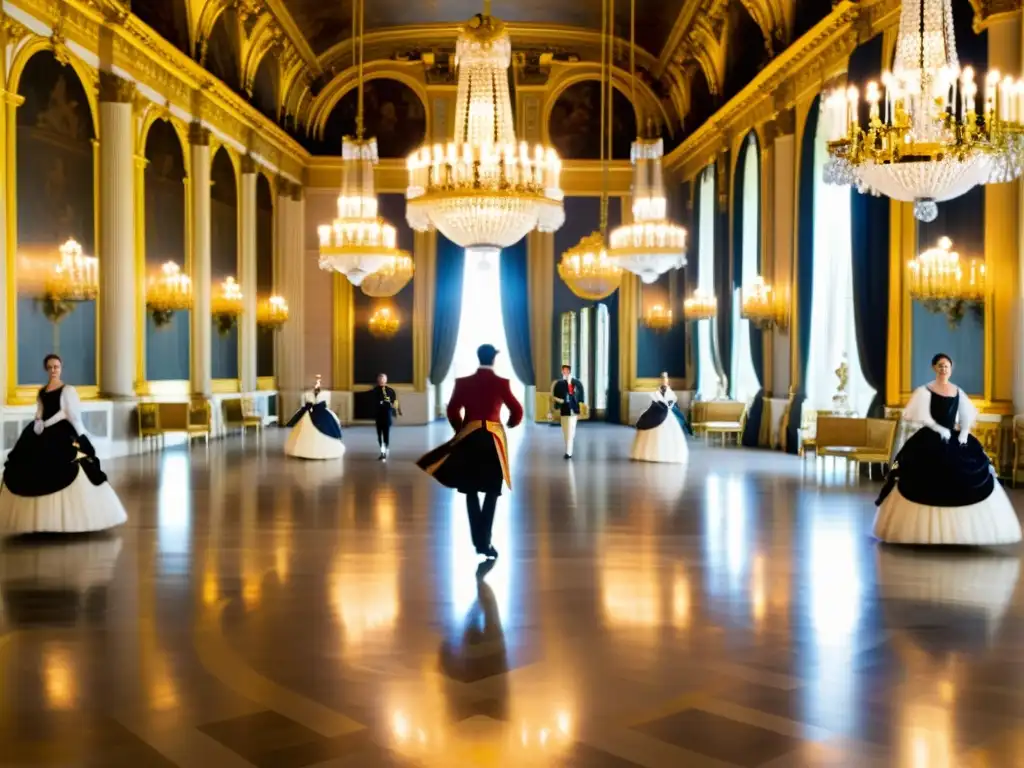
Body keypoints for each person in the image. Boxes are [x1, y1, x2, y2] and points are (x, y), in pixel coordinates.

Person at [874, 353, 1022, 545]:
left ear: (951, 369)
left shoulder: (957, 391)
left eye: (947, 366)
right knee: (922, 471)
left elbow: (965, 414)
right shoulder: (925, 391)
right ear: (934, 368)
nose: (944, 369)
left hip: (953, 437)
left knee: (967, 471)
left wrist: (964, 432)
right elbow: (922, 416)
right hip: (929, 438)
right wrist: (938, 428)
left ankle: (963, 531)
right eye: (941, 366)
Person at [0, 354, 127, 535]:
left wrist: (83, 438)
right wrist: (37, 422)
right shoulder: (42, 391)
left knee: (64, 465)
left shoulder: (67, 390)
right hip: (41, 433)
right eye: (50, 367)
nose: (53, 370)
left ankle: (67, 520)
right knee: (26, 465)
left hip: (60, 435)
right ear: (46, 369)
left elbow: (73, 416)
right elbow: (40, 411)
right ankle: (39, 521)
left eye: (56, 367)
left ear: (61, 368)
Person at [417, 344, 523, 559]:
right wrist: (512, 422)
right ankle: (485, 540)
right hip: (493, 440)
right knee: (492, 492)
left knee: (471, 490)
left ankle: (479, 541)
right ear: (493, 359)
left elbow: (452, 409)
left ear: (478, 357)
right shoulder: (501, 383)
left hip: (470, 439)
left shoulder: (463, 383)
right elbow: (517, 410)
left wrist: (461, 428)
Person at [629, 372, 690, 464]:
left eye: (666, 380)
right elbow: (656, 402)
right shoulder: (658, 392)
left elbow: (671, 403)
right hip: (658, 411)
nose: (664, 381)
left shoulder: (669, 393)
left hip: (666, 413)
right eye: (663, 379)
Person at [284, 374, 345, 460]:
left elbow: (326, 404)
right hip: (309, 415)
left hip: (321, 414)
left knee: (325, 428)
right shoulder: (307, 394)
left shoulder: (325, 394)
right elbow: (306, 404)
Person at [551, 364, 584, 459]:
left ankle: (568, 452)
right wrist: (557, 403)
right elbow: (555, 397)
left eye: (566, 371)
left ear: (569, 371)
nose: (565, 372)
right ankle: (568, 449)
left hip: (573, 410)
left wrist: (580, 409)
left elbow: (579, 397)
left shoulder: (576, 383)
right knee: (566, 431)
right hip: (564, 410)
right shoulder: (559, 384)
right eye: (563, 371)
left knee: (570, 431)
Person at [373, 372, 401, 461]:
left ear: (386, 380)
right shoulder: (375, 391)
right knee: (379, 435)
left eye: (383, 379)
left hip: (386, 417)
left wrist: (397, 410)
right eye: (380, 379)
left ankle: (384, 450)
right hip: (378, 417)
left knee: (386, 434)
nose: (381, 380)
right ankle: (382, 450)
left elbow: (395, 402)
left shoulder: (390, 391)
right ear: (378, 380)